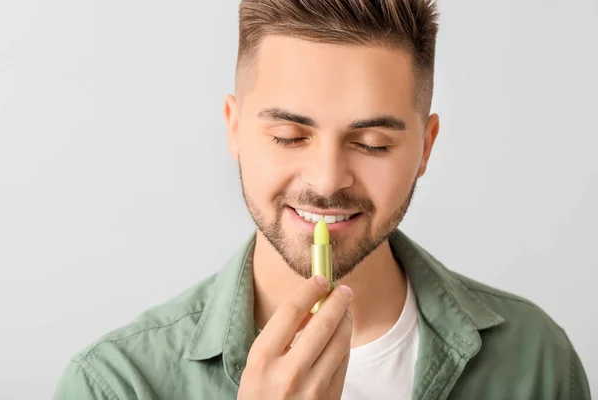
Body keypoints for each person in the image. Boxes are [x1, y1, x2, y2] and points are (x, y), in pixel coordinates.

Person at [54, 1, 592, 399]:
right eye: (289, 136)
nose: (328, 179)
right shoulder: (114, 385)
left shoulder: (537, 362)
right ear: (235, 129)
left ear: (425, 149)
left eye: (372, 144)